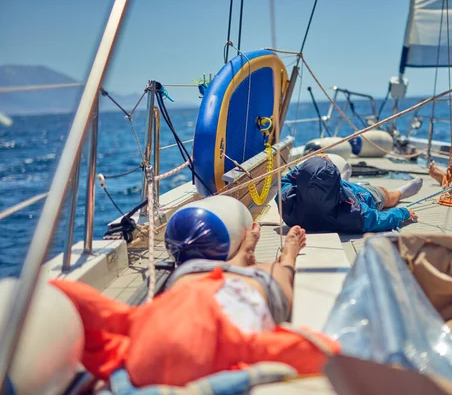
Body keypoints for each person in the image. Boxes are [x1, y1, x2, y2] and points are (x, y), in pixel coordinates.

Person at [50, 224, 340, 388]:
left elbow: (312, 351)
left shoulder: (234, 345)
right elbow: (323, 354)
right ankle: (287, 255)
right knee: (280, 273)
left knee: (269, 277)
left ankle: (244, 256)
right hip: (207, 277)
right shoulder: (236, 345)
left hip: (214, 279)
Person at [278, 154, 421, 233]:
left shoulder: (287, 205)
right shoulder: (352, 213)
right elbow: (381, 219)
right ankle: (401, 192)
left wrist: (311, 164)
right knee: (385, 195)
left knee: (323, 180)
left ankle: (338, 177)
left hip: (335, 191)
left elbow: (286, 181)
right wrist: (404, 212)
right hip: (362, 196)